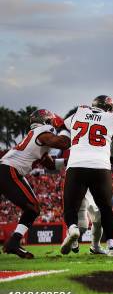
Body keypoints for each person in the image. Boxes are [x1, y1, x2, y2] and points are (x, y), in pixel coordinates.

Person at [60, 96, 113, 257]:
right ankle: (112, 247)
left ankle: (72, 229)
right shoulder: (112, 118)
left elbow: (64, 125)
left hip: (76, 164)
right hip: (100, 166)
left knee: (71, 207)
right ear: (109, 108)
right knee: (105, 208)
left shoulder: (79, 112)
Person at [0, 109, 70, 258]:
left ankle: (14, 242)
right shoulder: (43, 132)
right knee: (32, 207)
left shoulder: (38, 137)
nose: (53, 124)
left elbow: (51, 165)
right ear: (46, 121)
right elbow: (64, 143)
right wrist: (64, 129)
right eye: (51, 121)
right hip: (9, 170)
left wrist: (68, 162)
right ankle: (14, 242)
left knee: (33, 209)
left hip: (10, 170)